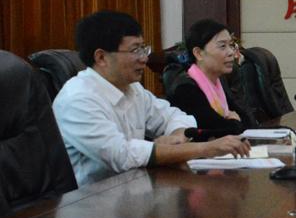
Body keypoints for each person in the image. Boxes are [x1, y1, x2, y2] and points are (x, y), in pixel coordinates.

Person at [53, 11, 251, 186]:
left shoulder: (133, 89)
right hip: (90, 205)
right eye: (135, 50)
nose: (144, 58)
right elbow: (122, 155)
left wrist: (178, 135)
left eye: (143, 49)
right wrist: (205, 148)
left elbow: (173, 116)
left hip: (132, 191)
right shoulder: (78, 99)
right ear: (101, 57)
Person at [167, 19, 256, 133]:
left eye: (231, 45)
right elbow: (218, 129)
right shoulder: (185, 89)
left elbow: (248, 121)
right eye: (222, 46)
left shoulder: (219, 81)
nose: (231, 52)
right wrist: (235, 122)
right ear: (198, 53)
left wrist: (235, 122)